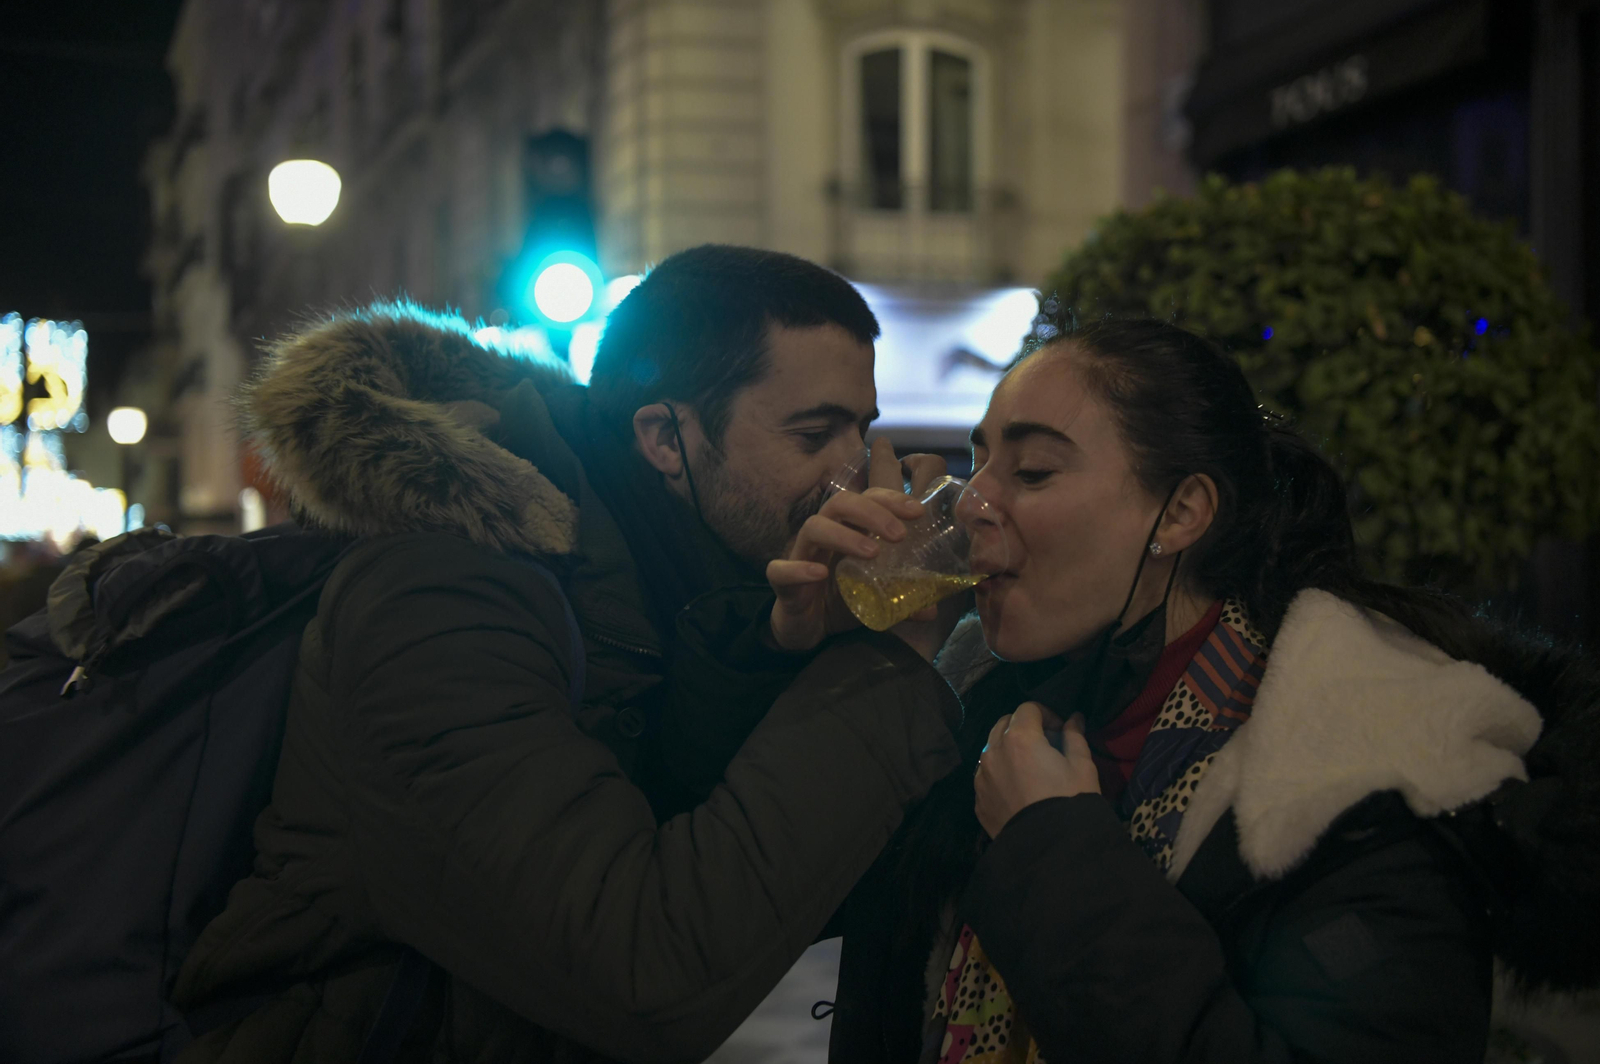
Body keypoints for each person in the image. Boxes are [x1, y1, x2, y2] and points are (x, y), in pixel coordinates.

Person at [170, 245, 965, 1062]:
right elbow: (640, 969)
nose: (855, 472)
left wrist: (784, 647)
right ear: (665, 437)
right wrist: (890, 661)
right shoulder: (441, 597)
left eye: (862, 430)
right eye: (815, 434)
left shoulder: (695, 582)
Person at [765, 318, 1600, 1063]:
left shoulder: (1368, 775)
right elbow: (775, 926)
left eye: (1033, 469)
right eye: (981, 459)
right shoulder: (991, 703)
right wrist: (862, 661)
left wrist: (1056, 853)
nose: (974, 499)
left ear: (1180, 514)